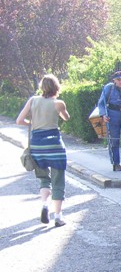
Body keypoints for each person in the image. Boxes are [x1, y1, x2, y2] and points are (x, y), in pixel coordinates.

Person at [16, 74, 70, 227]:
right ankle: (58, 216)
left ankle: (44, 204)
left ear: (41, 87)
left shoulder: (33, 101)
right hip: (54, 145)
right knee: (58, 180)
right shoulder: (58, 103)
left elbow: (19, 121)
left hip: (37, 145)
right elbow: (66, 118)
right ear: (56, 87)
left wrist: (32, 124)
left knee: (44, 179)